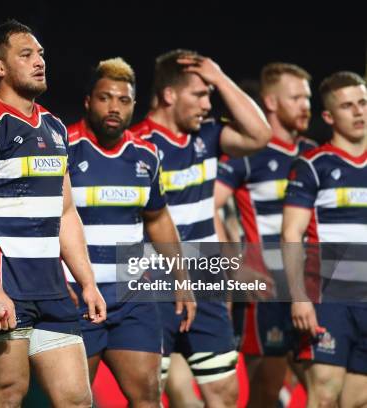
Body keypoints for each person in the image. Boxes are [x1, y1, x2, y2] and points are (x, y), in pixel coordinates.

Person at [0, 20, 106, 407]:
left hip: (52, 288)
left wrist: (86, 280)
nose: (39, 62)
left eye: (40, 55)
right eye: (26, 55)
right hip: (5, 287)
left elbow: (65, 211)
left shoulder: (53, 127)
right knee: (6, 398)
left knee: (76, 400)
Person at [131, 49, 271, 407]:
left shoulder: (207, 137)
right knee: (149, 395)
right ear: (168, 95)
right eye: (200, 93)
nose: (208, 103)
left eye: (210, 93)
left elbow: (259, 135)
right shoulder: (136, 145)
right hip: (154, 282)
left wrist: (220, 78)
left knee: (223, 394)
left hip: (207, 280)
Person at [66, 57, 195, 407]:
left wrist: (182, 279)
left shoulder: (146, 155)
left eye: (123, 101)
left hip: (133, 295)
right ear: (88, 101)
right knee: (75, 401)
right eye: (106, 98)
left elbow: (157, 219)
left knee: (148, 396)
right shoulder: (63, 146)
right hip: (77, 294)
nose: (114, 108)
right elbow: (47, 219)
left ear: (134, 106)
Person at [214, 62, 316, 408]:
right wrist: (235, 267)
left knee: (328, 387)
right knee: (266, 390)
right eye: (297, 97)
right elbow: (208, 207)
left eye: (308, 97)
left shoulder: (314, 155)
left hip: (311, 283)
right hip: (266, 288)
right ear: (270, 102)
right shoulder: (248, 154)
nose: (306, 105)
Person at [282, 71, 367, 408]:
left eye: (363, 103)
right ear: (330, 117)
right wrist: (298, 297)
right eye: (348, 106)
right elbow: (290, 233)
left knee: (355, 402)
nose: (359, 112)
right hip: (329, 300)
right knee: (324, 397)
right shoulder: (313, 166)